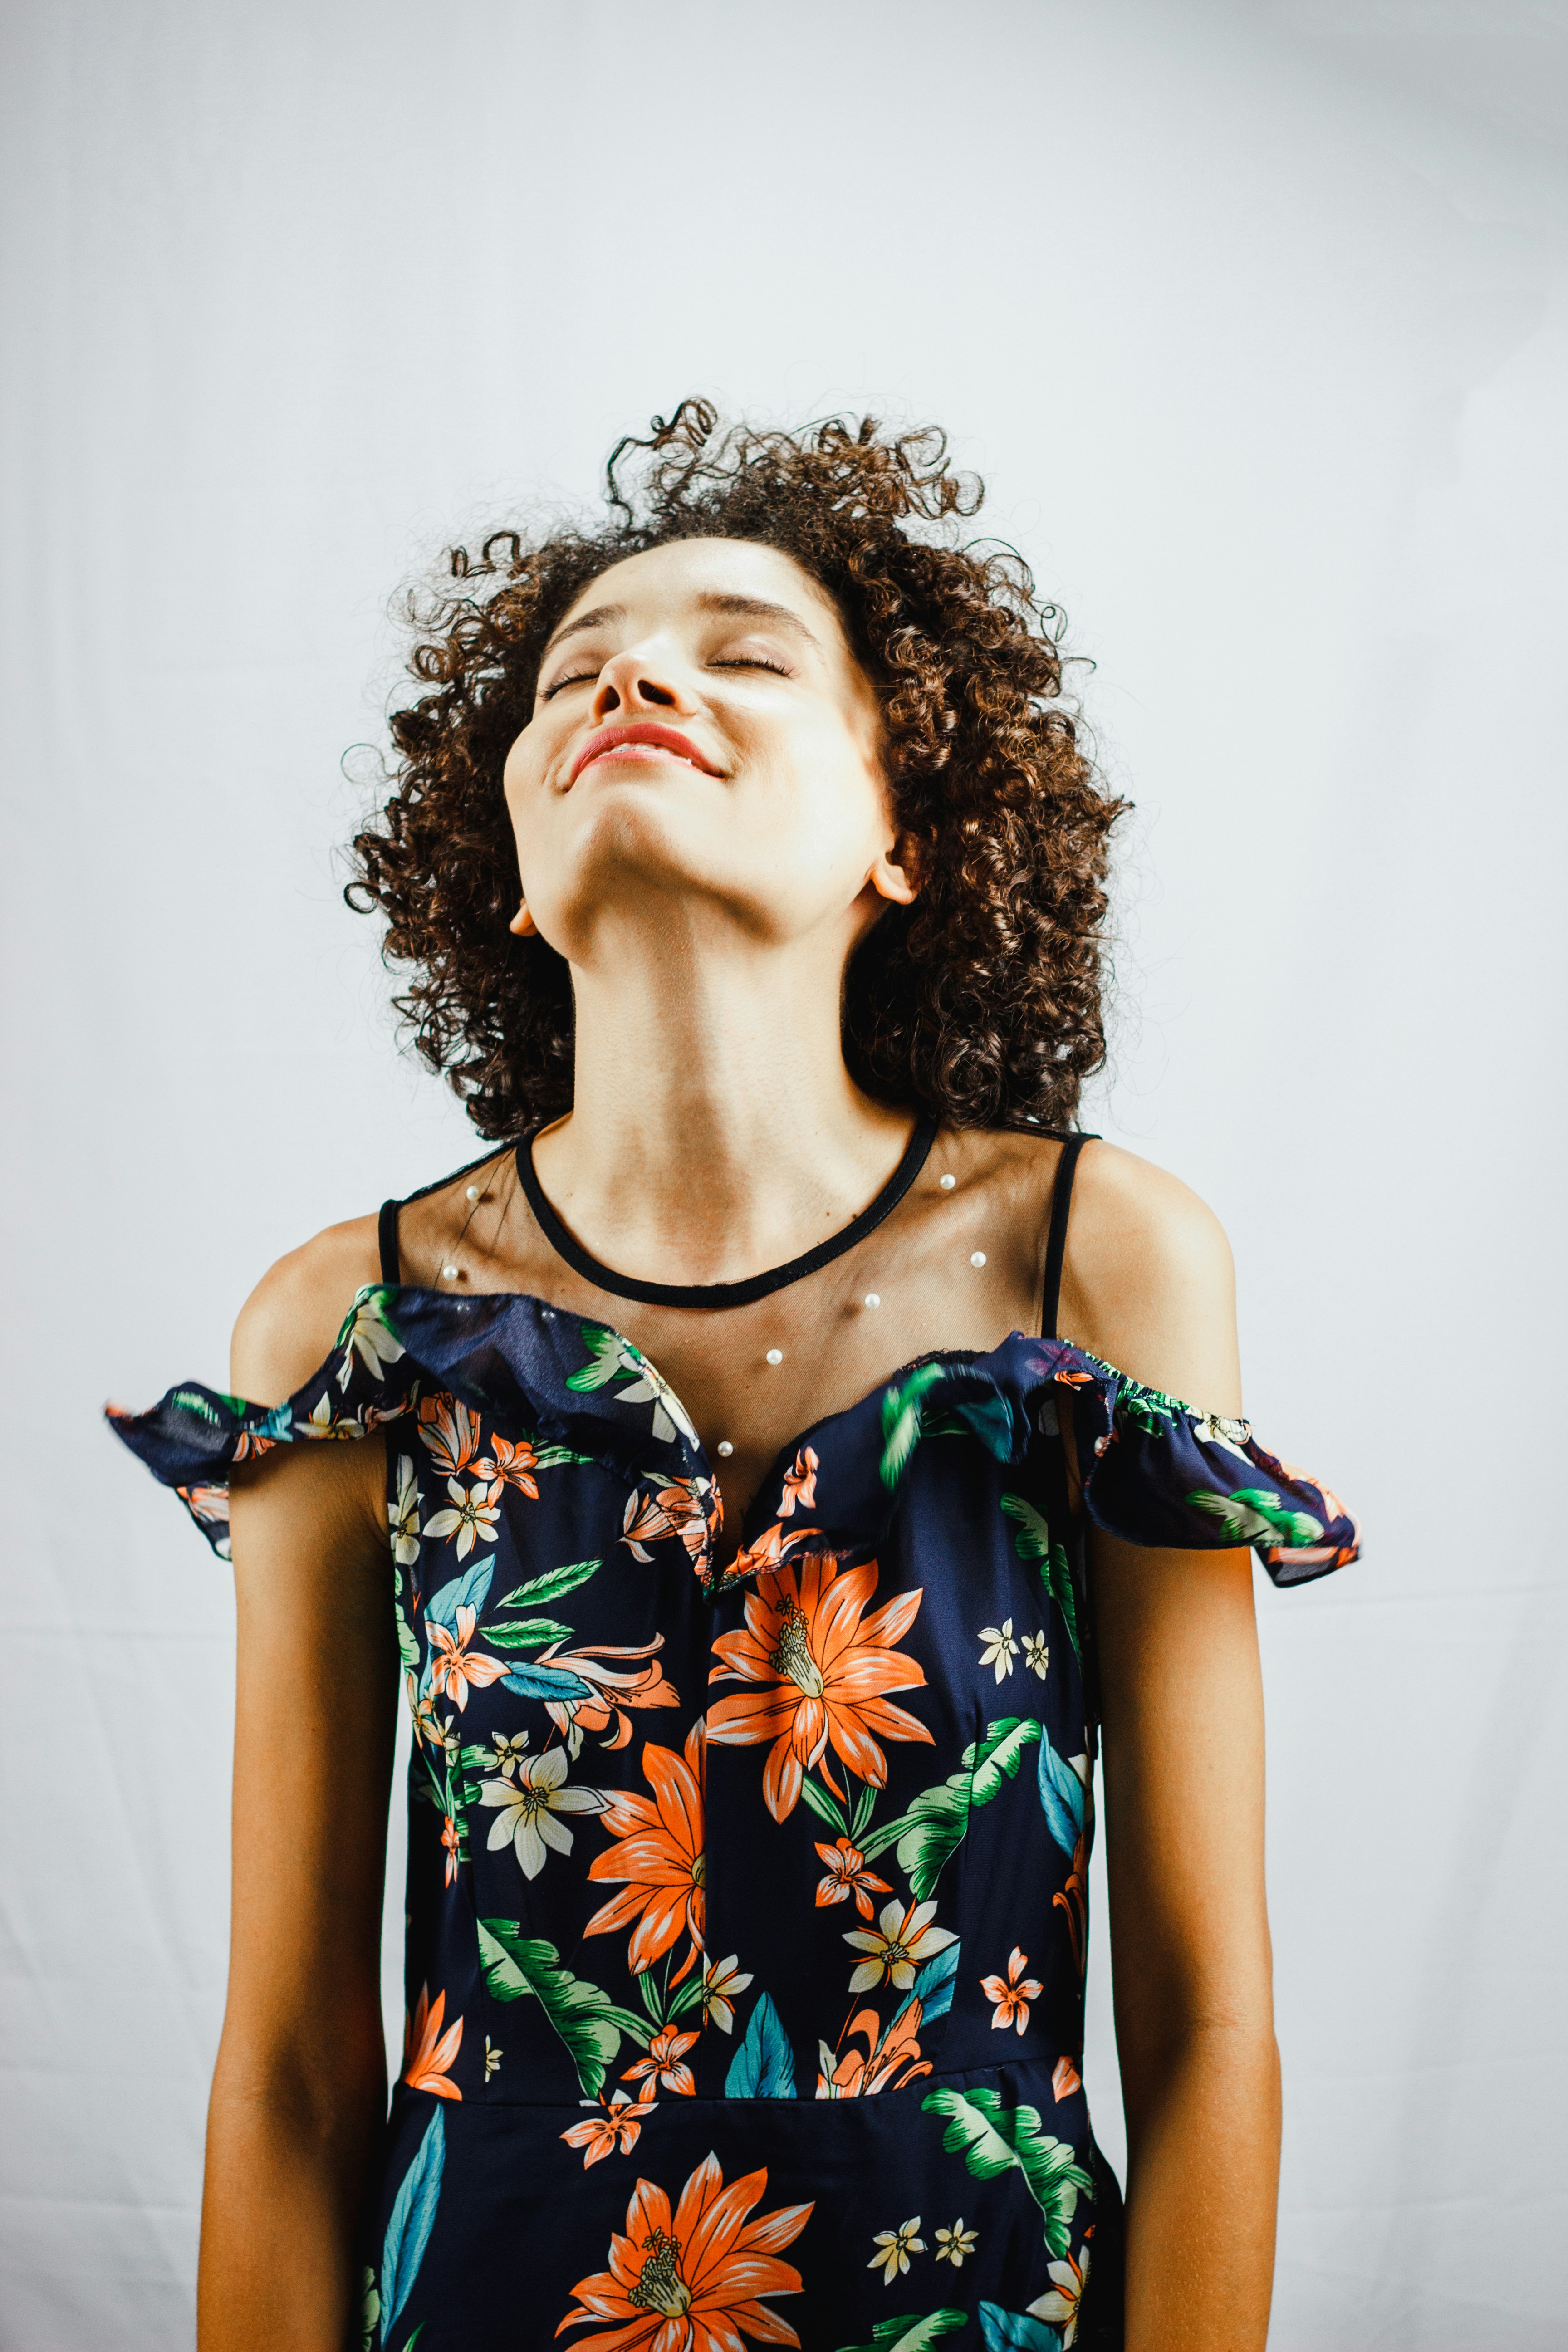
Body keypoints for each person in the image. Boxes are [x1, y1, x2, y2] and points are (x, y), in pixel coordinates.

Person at [109, 403, 1357, 2352]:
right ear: (508, 876)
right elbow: (281, 2070)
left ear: (912, 833)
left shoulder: (1098, 1265)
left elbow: (1208, 2031)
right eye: (573, 674)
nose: (633, 675)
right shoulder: (339, 1330)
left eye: (745, 651)